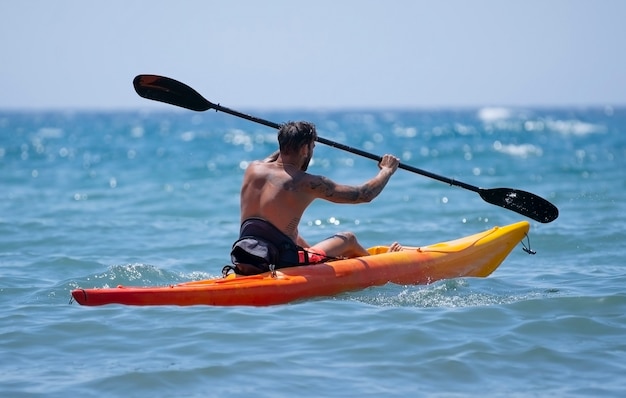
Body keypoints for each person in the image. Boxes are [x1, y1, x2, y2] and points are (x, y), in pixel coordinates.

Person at [229, 121, 401, 275]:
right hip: (282, 261)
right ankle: (382, 268)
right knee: (348, 239)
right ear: (305, 149)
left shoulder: (253, 169)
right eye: (312, 147)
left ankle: (324, 258)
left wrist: (294, 138)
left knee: (296, 237)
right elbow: (364, 194)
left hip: (245, 256)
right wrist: (386, 170)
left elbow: (278, 157)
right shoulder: (306, 183)